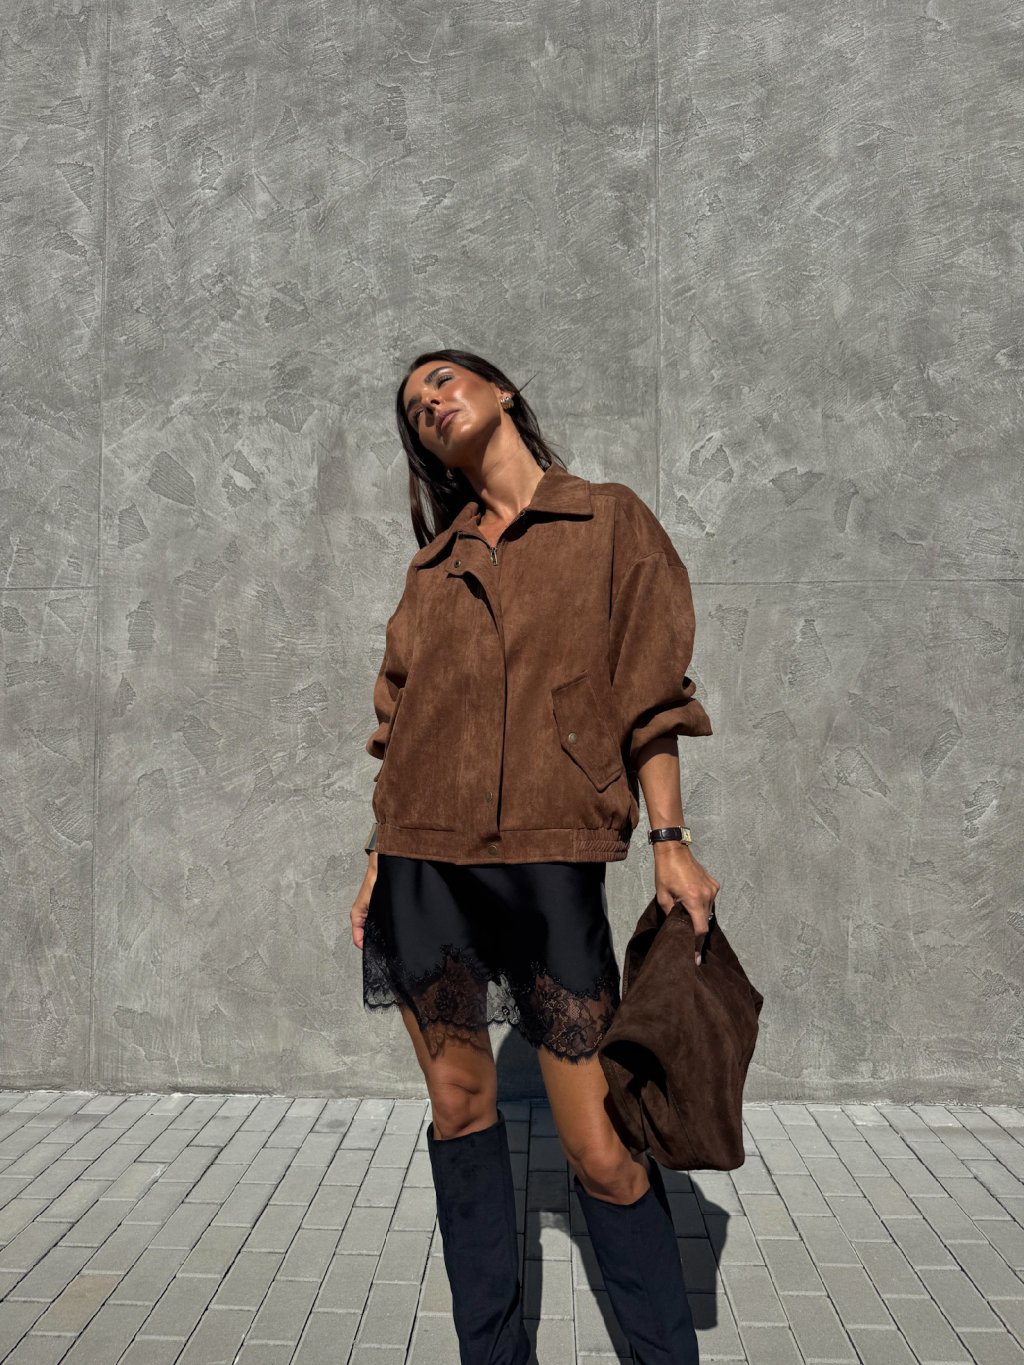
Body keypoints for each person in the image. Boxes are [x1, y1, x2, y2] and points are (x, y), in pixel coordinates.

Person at [351, 348, 719, 1364]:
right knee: (459, 1107)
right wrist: (378, 859)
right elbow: (398, 726)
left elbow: (651, 694)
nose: (429, 402)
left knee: (599, 1150)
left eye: (442, 381)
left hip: (550, 864)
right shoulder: (433, 568)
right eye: (413, 407)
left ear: (500, 390)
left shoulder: (607, 520)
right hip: (422, 864)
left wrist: (671, 843)